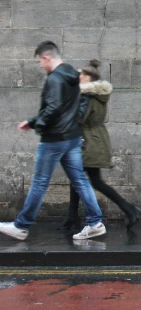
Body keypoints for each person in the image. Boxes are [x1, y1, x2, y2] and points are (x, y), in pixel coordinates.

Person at [0, 41, 106, 241]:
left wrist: (37, 124)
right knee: (81, 181)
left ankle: (21, 226)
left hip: (55, 138)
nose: (40, 65)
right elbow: (74, 104)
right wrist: (32, 122)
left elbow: (54, 108)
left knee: (40, 182)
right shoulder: (72, 74)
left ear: (46, 57)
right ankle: (95, 223)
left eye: (40, 61)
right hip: (72, 137)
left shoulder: (55, 78)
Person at [61, 60, 141, 230]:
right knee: (81, 179)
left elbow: (79, 117)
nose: (79, 76)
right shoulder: (95, 94)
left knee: (91, 181)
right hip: (93, 139)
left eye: (82, 74)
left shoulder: (86, 95)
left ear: (89, 78)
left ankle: (128, 209)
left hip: (89, 141)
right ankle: (72, 217)